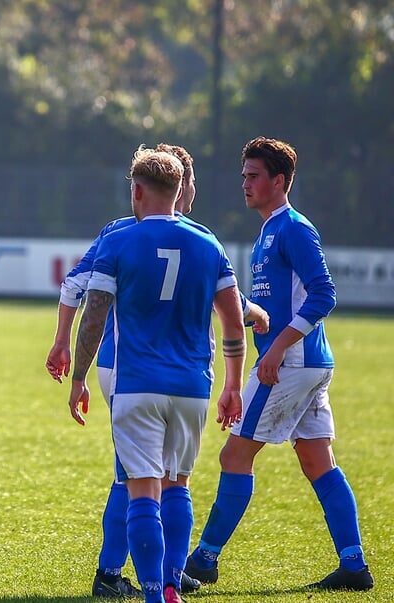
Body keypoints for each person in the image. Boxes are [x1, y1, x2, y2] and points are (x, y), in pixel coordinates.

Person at [46, 144, 267, 598]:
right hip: (191, 386)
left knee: (138, 483)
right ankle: (170, 583)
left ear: (138, 189)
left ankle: (146, 589)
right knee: (177, 485)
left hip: (135, 382)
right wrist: (231, 384)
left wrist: (78, 377)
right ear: (182, 189)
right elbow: (232, 320)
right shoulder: (209, 242)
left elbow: (94, 312)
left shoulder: (120, 238)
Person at [184, 137, 374, 592]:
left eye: (253, 176)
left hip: (289, 363)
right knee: (316, 459)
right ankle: (354, 566)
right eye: (244, 175)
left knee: (234, 455)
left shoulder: (292, 228)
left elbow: (324, 293)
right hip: (305, 362)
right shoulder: (270, 228)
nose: (244, 183)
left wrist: (274, 349)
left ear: (279, 181)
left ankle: (203, 562)